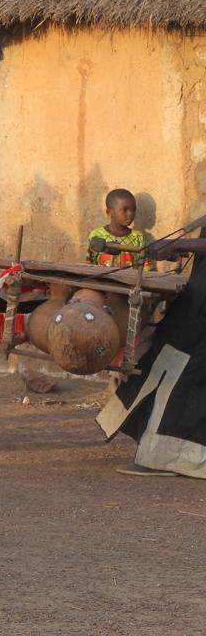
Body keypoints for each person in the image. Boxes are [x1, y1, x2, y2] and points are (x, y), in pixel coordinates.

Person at [98, 231, 206, 477]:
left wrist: (177, 243)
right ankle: (159, 450)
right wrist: (177, 249)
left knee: (186, 377)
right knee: (164, 359)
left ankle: (171, 457)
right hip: (197, 297)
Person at [87, 188, 151, 268]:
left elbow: (145, 269)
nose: (130, 214)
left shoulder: (138, 237)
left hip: (129, 280)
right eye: (124, 210)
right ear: (109, 212)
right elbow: (89, 265)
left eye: (133, 209)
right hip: (101, 280)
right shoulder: (96, 235)